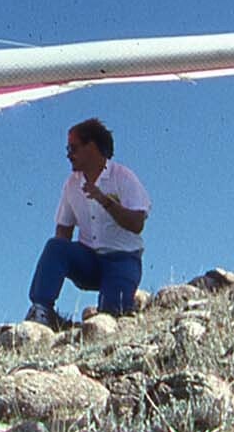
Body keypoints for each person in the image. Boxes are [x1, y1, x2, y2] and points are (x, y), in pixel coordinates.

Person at [26, 118, 151, 327]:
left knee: (112, 318)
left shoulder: (123, 177)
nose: (68, 154)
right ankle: (42, 311)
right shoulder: (71, 184)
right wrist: (58, 267)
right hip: (90, 260)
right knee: (55, 247)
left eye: (73, 147)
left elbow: (137, 224)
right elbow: (63, 231)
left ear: (91, 147)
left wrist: (104, 200)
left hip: (122, 261)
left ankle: (119, 306)